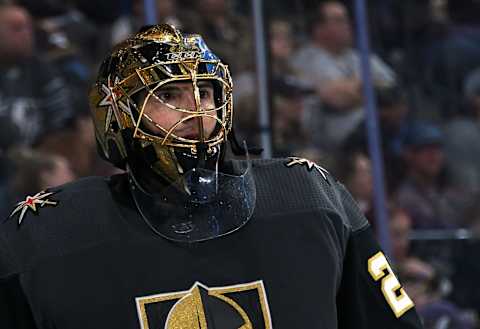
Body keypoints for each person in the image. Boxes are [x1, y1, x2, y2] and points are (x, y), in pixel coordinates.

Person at [0, 24, 423, 328]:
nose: (197, 110)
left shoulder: (310, 196)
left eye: (206, 92)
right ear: (116, 115)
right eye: (168, 95)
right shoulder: (46, 234)